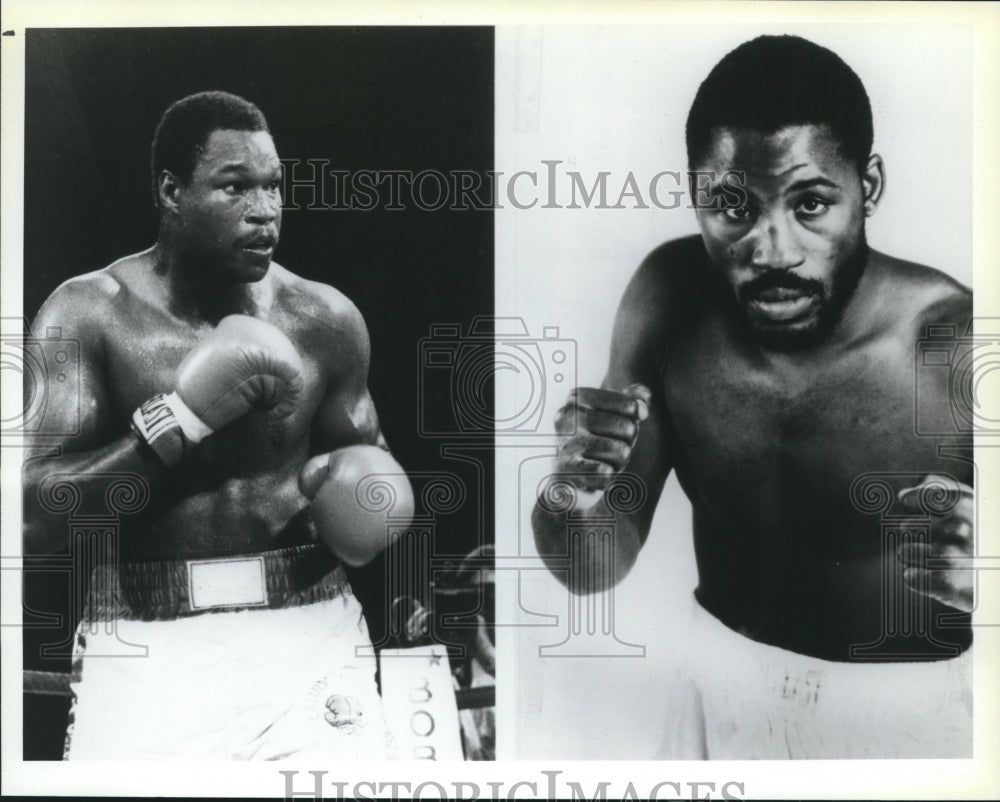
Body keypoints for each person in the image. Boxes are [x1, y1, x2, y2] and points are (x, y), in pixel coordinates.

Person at [532, 35, 974, 759]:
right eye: (733, 208)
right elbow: (591, 570)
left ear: (870, 186)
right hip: (716, 691)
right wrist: (567, 497)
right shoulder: (668, 299)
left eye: (811, 204)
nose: (773, 250)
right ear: (694, 197)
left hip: (908, 722)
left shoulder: (957, 342)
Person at [22, 91, 412, 760]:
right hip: (149, 647)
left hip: (310, 639)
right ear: (172, 191)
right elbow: (36, 521)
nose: (264, 212)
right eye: (235, 187)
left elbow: (374, 487)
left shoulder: (323, 320)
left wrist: (375, 513)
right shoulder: (89, 315)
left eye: (273, 187)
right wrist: (179, 421)